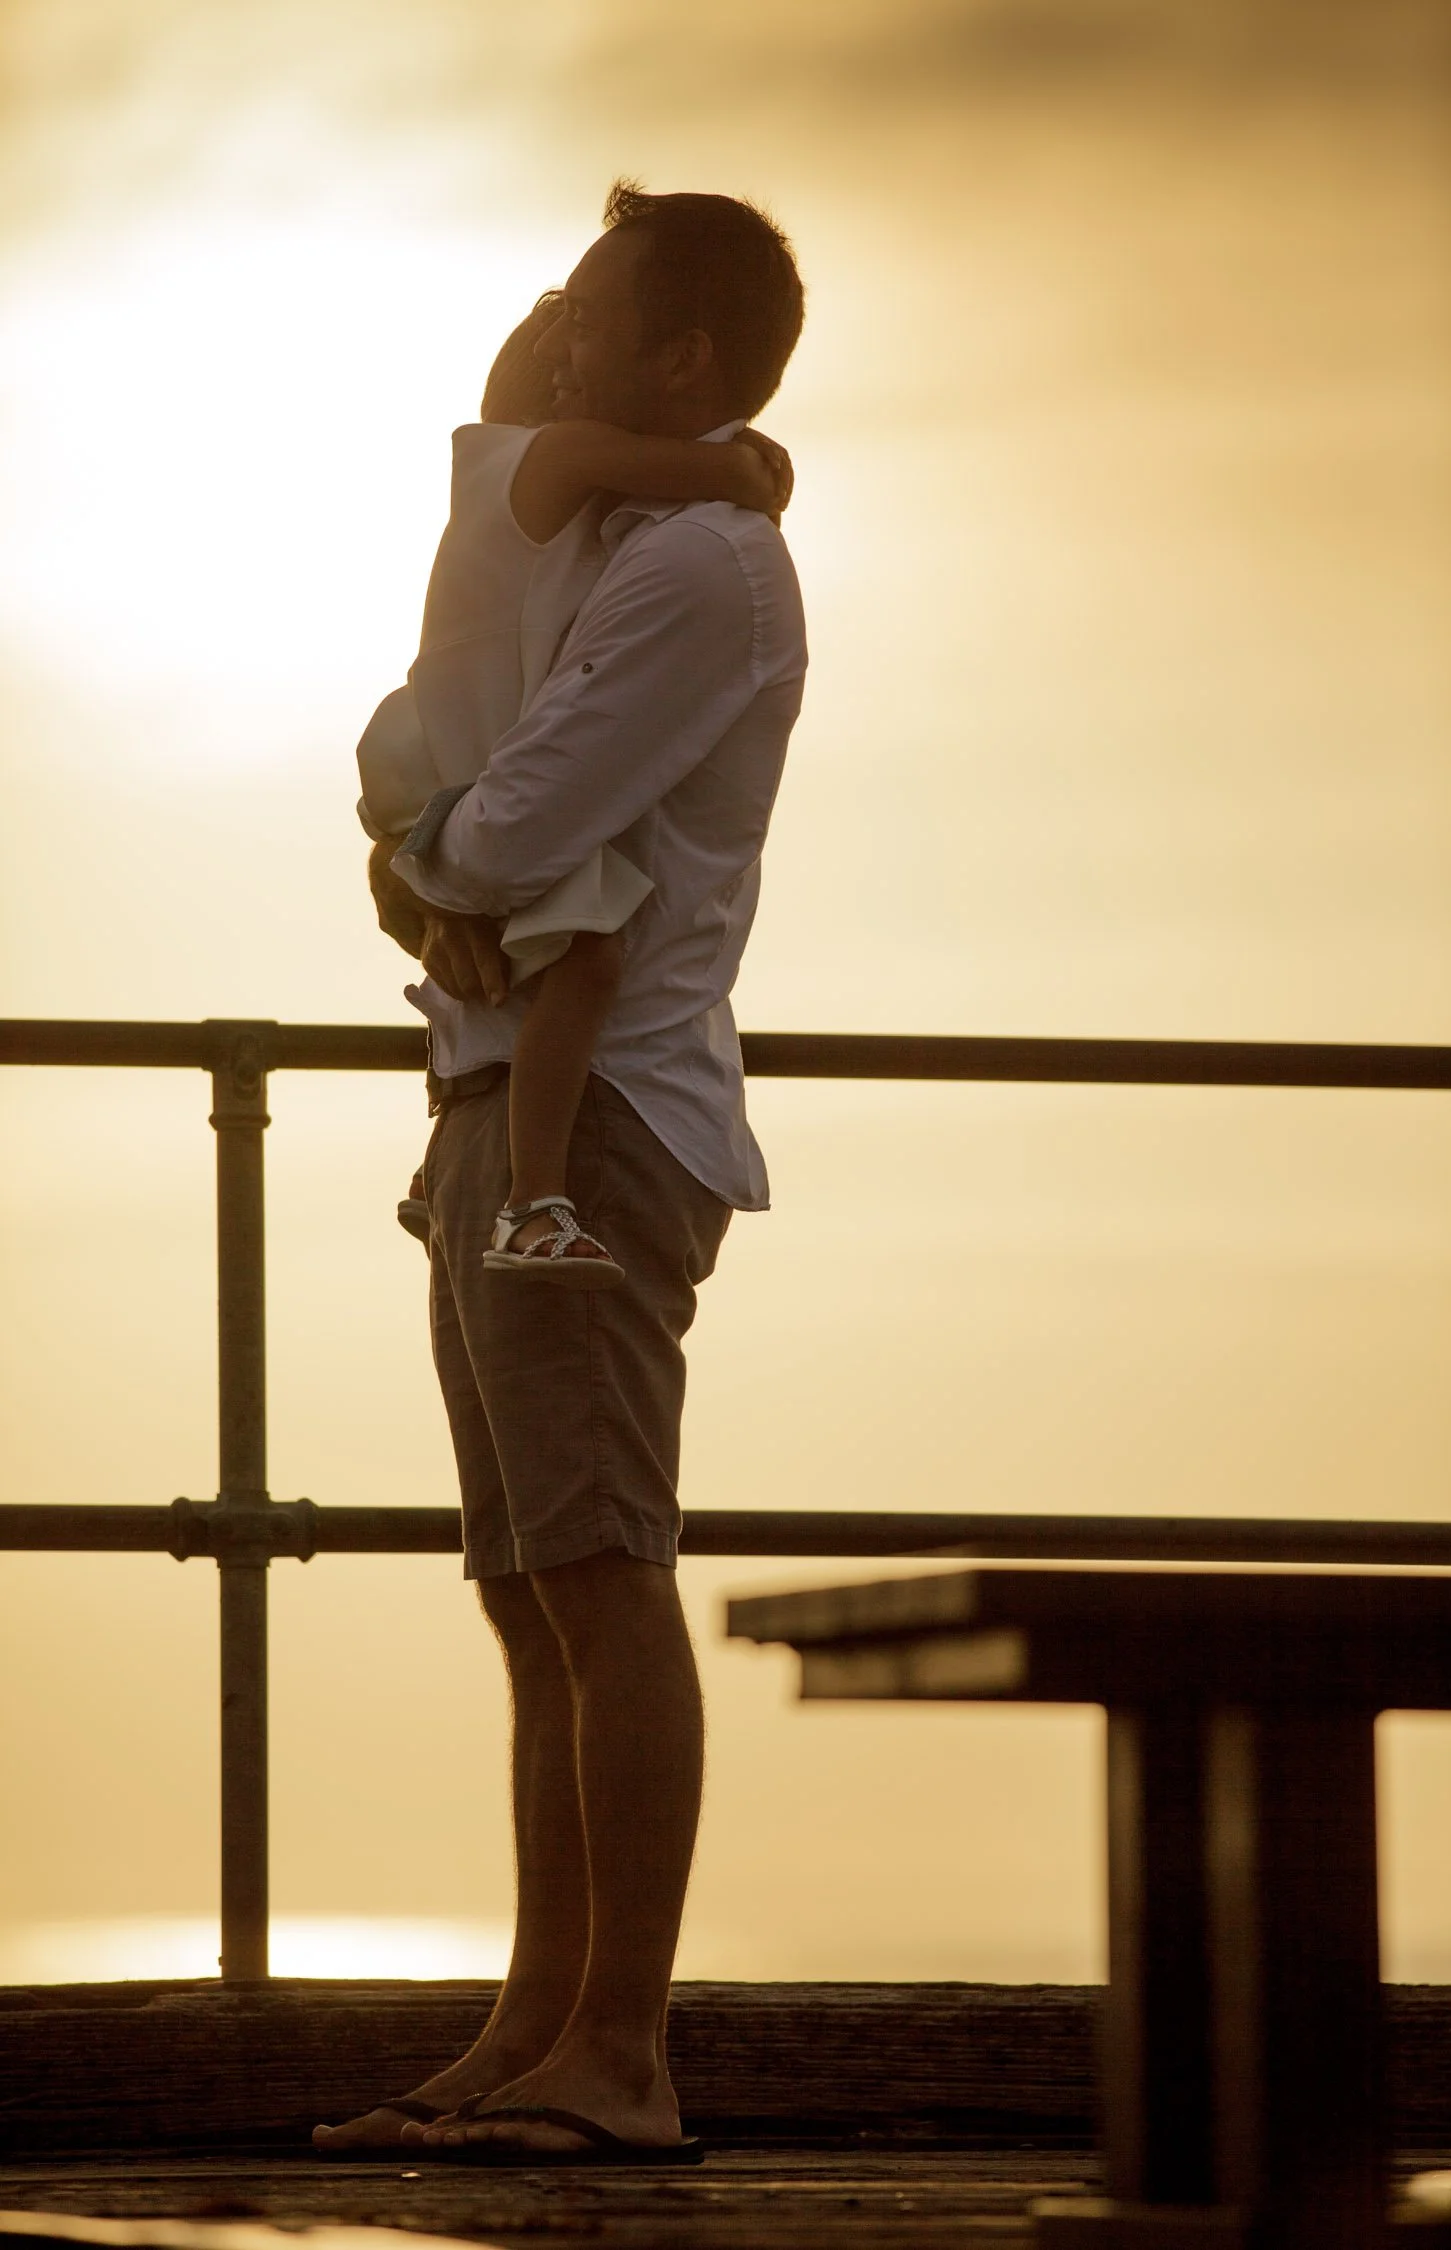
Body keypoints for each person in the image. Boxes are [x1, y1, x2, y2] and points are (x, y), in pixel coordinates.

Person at [313, 179, 807, 2165]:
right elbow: (475, 788)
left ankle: (623, 2047)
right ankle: (540, 2031)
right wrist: (426, 859)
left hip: (596, 1122)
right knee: (531, 1590)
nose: (556, 329)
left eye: (597, 307)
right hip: (505, 1092)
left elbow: (510, 835)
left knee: (601, 1579)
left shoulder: (701, 564)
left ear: (683, 356)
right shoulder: (604, 528)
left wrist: (407, 860)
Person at [356, 293, 793, 1284]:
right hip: (454, 769)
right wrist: (739, 465)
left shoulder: (516, 503)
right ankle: (533, 1198)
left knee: (494, 947)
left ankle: (456, 1163)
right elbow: (677, 468)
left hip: (419, 758)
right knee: (588, 954)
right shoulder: (536, 462)